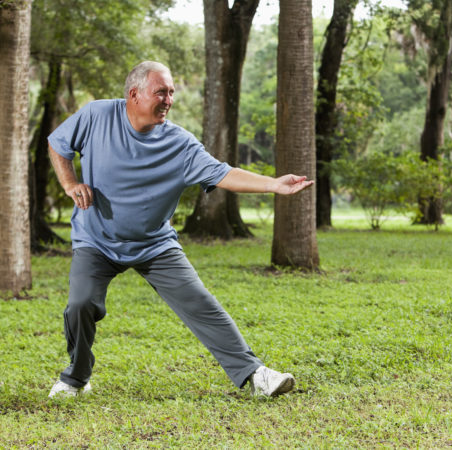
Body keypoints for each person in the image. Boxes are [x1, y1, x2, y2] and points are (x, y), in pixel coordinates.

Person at [47, 61, 313, 398]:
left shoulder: (179, 143)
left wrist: (273, 185)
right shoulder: (97, 116)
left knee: (201, 303)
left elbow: (223, 173)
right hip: (97, 240)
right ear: (134, 94)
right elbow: (58, 143)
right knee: (80, 304)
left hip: (154, 244)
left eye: (171, 92)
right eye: (161, 92)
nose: (169, 99)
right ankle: (76, 378)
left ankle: (255, 375)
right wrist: (70, 183)